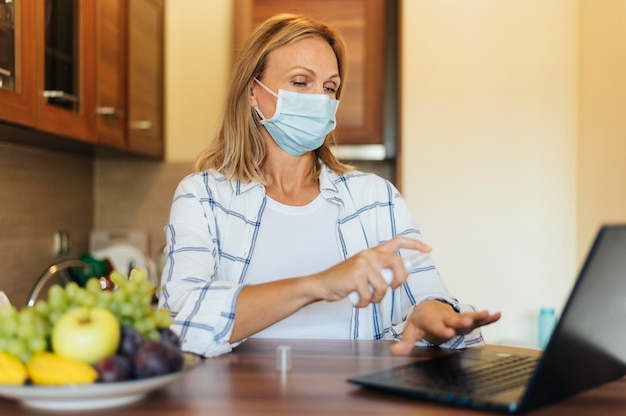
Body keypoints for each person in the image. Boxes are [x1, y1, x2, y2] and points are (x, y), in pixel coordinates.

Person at [158, 13, 500, 358]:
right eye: (300, 82)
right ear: (252, 91)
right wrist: (319, 285)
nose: (319, 99)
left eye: (329, 87)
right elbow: (179, 325)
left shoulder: (377, 199)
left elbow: (424, 304)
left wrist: (431, 315)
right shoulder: (202, 197)